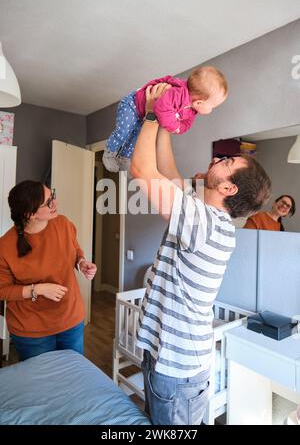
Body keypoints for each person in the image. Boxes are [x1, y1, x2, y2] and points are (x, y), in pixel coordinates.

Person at [130, 84, 271, 426]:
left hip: (178, 371)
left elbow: (143, 171)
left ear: (228, 188)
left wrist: (150, 112)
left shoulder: (206, 223)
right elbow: (167, 170)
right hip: (163, 355)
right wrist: (167, 120)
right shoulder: (202, 212)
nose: (217, 160)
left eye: (226, 162)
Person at [0, 181, 97, 361]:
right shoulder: (5, 246)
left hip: (70, 320)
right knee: (43, 387)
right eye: (49, 202)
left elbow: (74, 249)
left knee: (74, 377)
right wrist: (38, 289)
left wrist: (81, 262)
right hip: (31, 331)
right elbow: (2, 290)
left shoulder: (63, 223)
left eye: (52, 196)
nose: (56, 203)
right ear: (30, 214)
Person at [103, 66, 228, 172]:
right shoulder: (177, 93)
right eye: (213, 106)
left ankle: (124, 158)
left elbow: (186, 125)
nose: (212, 110)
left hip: (143, 115)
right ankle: (110, 152)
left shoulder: (191, 110)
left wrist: (178, 127)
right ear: (199, 102)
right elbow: (161, 108)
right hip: (133, 105)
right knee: (124, 131)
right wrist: (175, 125)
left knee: (136, 137)